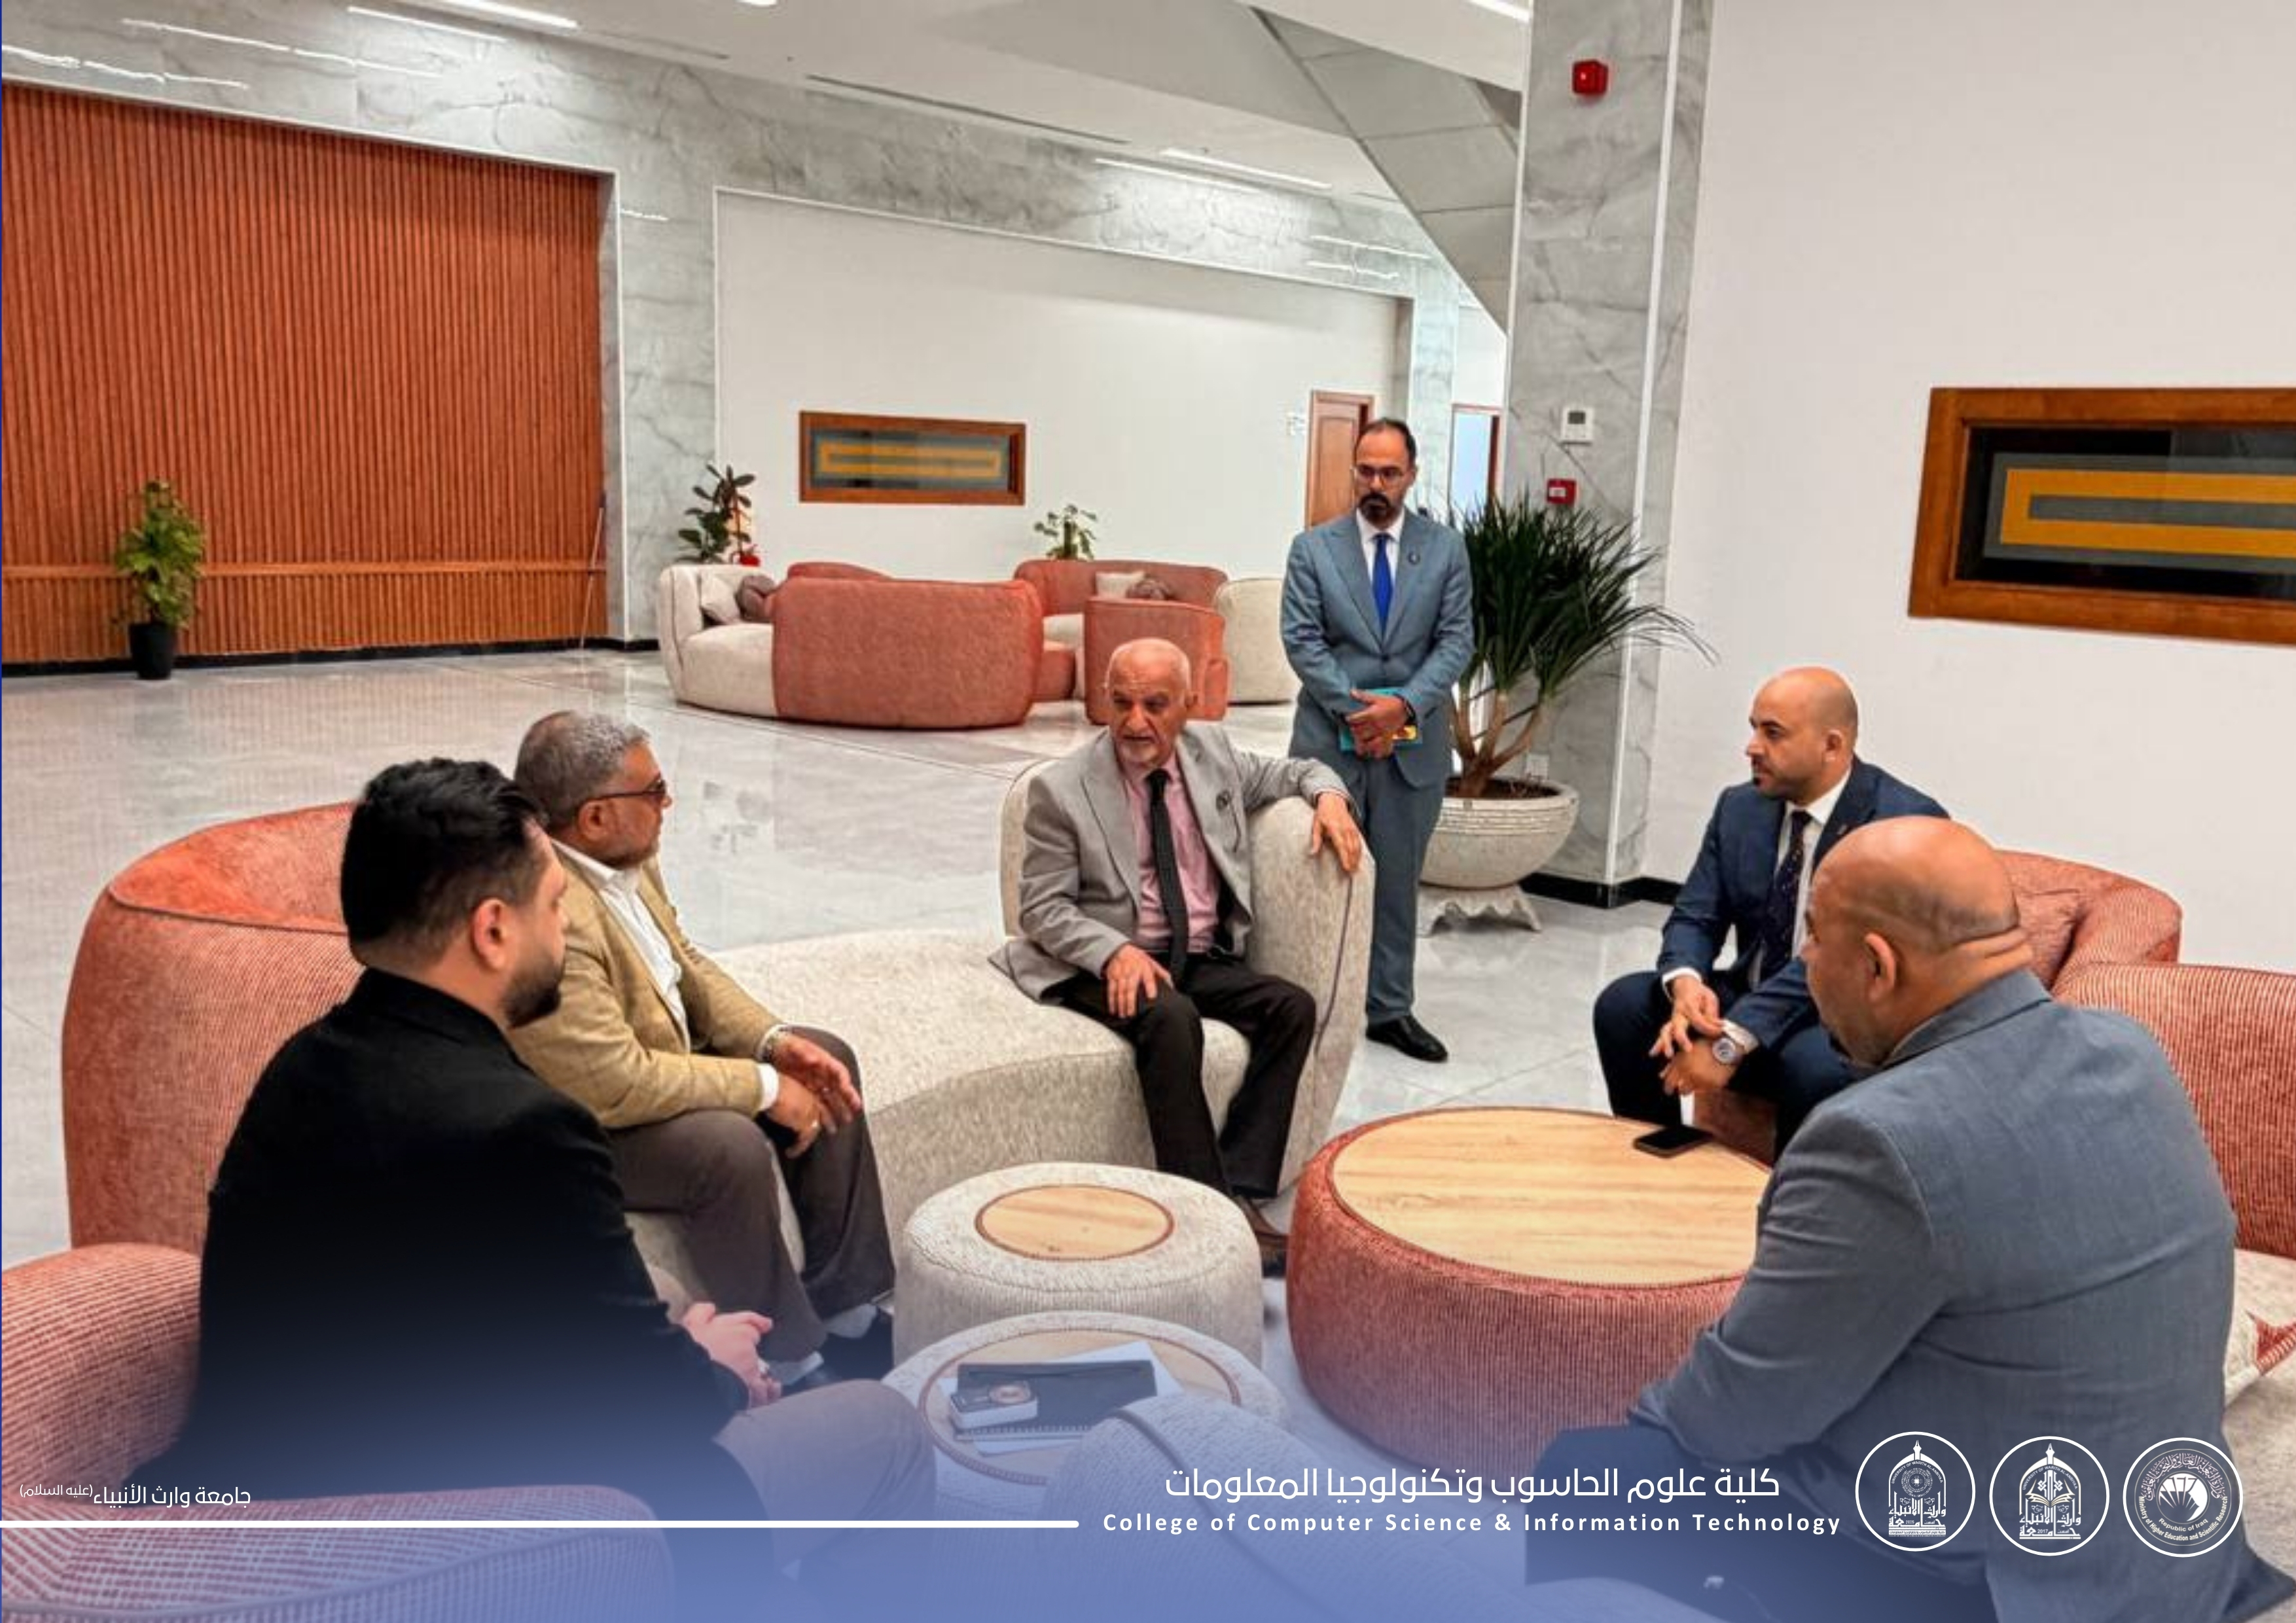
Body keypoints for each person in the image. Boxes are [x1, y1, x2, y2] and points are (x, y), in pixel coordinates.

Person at [134, 760, 935, 1613]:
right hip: (474, 1526)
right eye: (556, 906)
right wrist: (718, 1370)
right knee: (887, 1427)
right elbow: (650, 1409)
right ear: (493, 929)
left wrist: (676, 1344)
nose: (564, 930)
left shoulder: (303, 1065)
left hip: (291, 1467)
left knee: (665, 1295)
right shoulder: (524, 1127)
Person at [1534, 819, 2291, 1623]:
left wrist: (1654, 1427)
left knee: (1588, 1477)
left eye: (1814, 939)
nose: (1805, 962)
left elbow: (1734, 1412)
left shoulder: (1876, 1137)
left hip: (1998, 1585)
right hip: (2173, 1554)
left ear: (1877, 964)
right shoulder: (2130, 1047)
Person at [509, 711, 892, 1385]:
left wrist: (775, 1043)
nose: (669, 804)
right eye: (655, 790)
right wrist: (764, 1088)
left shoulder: (626, 856)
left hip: (657, 1058)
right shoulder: (552, 914)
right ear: (595, 817)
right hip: (588, 1121)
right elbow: (616, 1082)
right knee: (725, 1147)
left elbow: (685, 961)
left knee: (823, 1055)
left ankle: (847, 1308)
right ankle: (790, 1357)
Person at [994, 638, 1363, 1275]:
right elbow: (1042, 908)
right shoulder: (1062, 788)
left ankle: (1241, 1184)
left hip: (1194, 952)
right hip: (1099, 960)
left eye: (1155, 705)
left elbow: (1301, 771)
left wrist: (1330, 798)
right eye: (1122, 702)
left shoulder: (1212, 754)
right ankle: (1204, 1213)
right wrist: (1112, 952)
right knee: (1170, 1017)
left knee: (1290, 1008)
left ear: (1189, 705)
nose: (1135, 722)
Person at [1594, 666, 1943, 1151]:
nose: (1752, 747)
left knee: (1814, 1069)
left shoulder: (1901, 825)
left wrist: (1732, 1040)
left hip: (1838, 1016)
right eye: (1754, 728)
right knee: (1625, 1006)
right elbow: (1696, 915)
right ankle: (1661, 1165)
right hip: (1751, 992)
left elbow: (1840, 956)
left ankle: (1785, 1193)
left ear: (1832, 746)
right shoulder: (1740, 807)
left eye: (1773, 733)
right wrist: (1688, 987)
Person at [1280, 416, 1473, 1063]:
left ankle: (1389, 1008)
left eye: (1390, 472)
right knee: (1321, 880)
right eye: (1366, 470)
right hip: (1329, 744)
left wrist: (1403, 707)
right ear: (1353, 471)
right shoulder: (1313, 550)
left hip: (1412, 747)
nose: (1376, 484)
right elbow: (1302, 640)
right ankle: (1311, 1006)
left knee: (1395, 881)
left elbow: (1456, 641)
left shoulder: (1444, 550)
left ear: (1411, 475)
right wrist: (1359, 714)